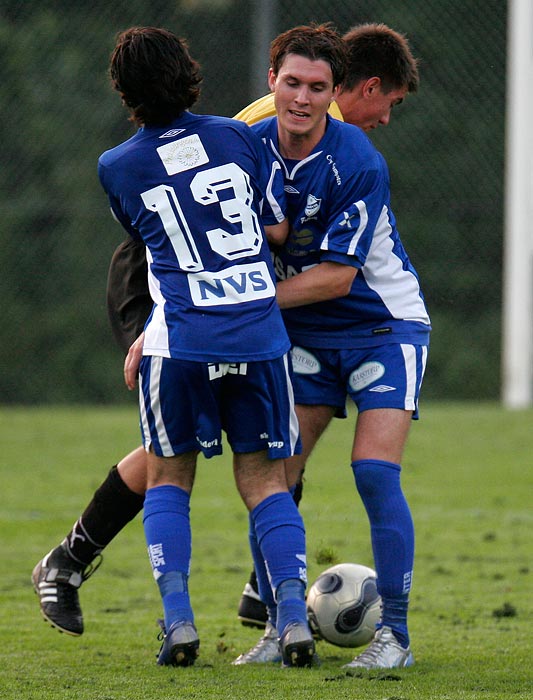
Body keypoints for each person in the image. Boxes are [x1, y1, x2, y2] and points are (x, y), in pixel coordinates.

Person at [32, 22, 427, 670]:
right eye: (293, 85)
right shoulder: (242, 134)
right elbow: (161, 239)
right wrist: (150, 330)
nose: (303, 98)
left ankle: (387, 635)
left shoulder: (354, 158)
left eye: (316, 87)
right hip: (234, 310)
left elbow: (333, 273)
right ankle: (269, 616)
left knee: (356, 470)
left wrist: (233, 300)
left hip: (368, 325)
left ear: (334, 91)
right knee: (243, 463)